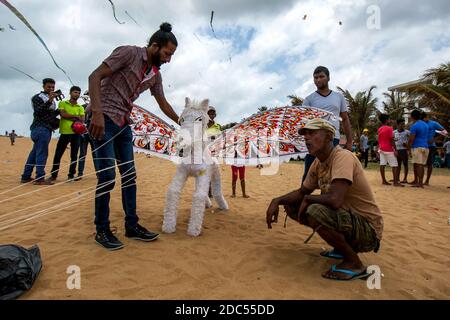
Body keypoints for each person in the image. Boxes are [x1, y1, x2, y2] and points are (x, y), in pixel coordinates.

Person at [88, 22, 179, 250]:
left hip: (123, 124)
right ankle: (102, 229)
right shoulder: (129, 53)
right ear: (154, 46)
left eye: (172, 55)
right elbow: (95, 76)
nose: (169, 59)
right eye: (167, 53)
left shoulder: (155, 76)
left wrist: (184, 123)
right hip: (103, 120)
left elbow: (163, 104)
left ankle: (132, 226)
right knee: (107, 176)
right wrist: (96, 113)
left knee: (129, 176)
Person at [266, 118, 383, 281]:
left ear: (329, 136)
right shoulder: (318, 162)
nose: (306, 138)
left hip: (368, 231)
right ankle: (341, 248)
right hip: (349, 220)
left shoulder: (343, 157)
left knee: (315, 210)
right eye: (305, 135)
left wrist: (308, 199)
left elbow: (335, 200)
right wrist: (277, 200)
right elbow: (302, 192)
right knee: (292, 206)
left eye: (312, 133)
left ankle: (354, 263)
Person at [301, 66, 353, 182]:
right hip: (315, 140)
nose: (318, 80)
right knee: (309, 173)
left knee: (332, 173)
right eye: (315, 78)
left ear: (328, 78)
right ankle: (302, 198)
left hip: (333, 138)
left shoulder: (338, 97)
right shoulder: (309, 99)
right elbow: (304, 122)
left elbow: (345, 119)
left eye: (321, 76)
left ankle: (328, 199)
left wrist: (349, 141)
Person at [20, 78, 60, 185]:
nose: (51, 89)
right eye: (49, 87)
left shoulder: (50, 99)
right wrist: (50, 101)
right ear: (43, 86)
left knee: (34, 153)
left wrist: (58, 111)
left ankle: (26, 176)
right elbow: (38, 112)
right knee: (42, 153)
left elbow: (48, 115)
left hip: (46, 128)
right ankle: (40, 178)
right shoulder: (37, 97)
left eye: (53, 87)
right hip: (40, 129)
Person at [49, 86, 85, 181]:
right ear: (70, 93)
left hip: (76, 133)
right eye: (75, 92)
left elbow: (82, 119)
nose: (76, 94)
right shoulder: (63, 103)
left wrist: (70, 117)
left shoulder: (80, 107)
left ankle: (71, 175)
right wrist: (75, 117)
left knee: (74, 155)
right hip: (65, 132)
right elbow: (63, 114)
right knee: (58, 154)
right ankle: (54, 175)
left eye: (78, 93)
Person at [75, 91, 96, 181]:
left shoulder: (97, 107)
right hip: (84, 134)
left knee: (96, 154)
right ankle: (80, 173)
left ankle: (99, 173)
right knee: (82, 154)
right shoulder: (82, 107)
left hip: (94, 133)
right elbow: (79, 119)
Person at [377, 114, 402, 187]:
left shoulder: (380, 129)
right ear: (386, 120)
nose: (390, 120)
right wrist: (395, 149)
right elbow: (391, 140)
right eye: (389, 119)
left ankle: (384, 180)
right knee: (395, 165)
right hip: (388, 149)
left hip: (382, 148)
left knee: (382, 164)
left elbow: (381, 139)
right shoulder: (389, 128)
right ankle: (395, 182)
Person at [408, 110, 429, 188]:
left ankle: (419, 183)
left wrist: (408, 148)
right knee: (420, 165)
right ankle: (418, 181)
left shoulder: (414, 126)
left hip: (417, 147)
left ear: (412, 117)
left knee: (419, 165)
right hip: (426, 147)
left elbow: (411, 139)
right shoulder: (426, 125)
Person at [422, 113, 445, 185]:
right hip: (422, 145)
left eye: (424, 118)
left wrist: (434, 139)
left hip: (431, 146)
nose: (424, 120)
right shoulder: (421, 123)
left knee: (429, 164)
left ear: (427, 117)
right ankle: (419, 180)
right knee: (420, 164)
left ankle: (427, 181)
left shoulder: (434, 123)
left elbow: (444, 131)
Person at [206, 106, 222, 198]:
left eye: (213, 113)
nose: (211, 115)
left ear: (215, 115)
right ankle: (206, 191)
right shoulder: (202, 125)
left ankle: (210, 192)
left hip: (213, 152)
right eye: (209, 113)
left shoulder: (218, 126)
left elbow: (220, 139)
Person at [394, 119, 410, 183]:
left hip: (404, 150)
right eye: (401, 124)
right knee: (398, 165)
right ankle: (397, 178)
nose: (403, 125)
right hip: (397, 150)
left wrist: (407, 145)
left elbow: (412, 140)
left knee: (405, 164)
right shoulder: (394, 132)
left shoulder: (407, 132)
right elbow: (392, 141)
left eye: (404, 124)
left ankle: (405, 179)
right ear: (397, 124)